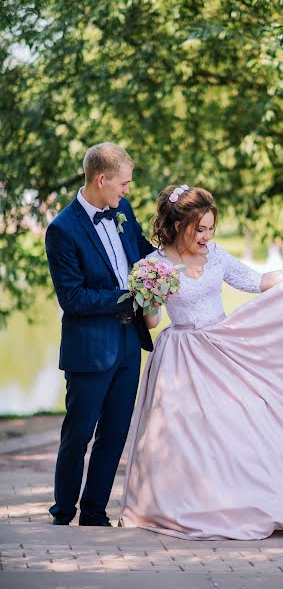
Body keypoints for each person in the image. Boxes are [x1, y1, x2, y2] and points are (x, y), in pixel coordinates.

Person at [120, 184, 283, 540]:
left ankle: (240, 500)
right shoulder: (154, 266)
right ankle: (179, 505)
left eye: (210, 228)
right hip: (180, 355)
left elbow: (257, 282)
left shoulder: (217, 257)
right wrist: (149, 294)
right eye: (200, 229)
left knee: (235, 426)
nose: (207, 236)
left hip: (221, 346)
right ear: (179, 226)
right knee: (183, 434)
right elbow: (152, 322)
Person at [45, 142, 154, 526]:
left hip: (129, 345)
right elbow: (73, 298)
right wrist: (129, 297)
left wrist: (171, 263)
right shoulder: (61, 230)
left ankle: (94, 515)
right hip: (89, 350)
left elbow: (143, 253)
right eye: (123, 184)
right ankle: (63, 514)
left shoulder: (122, 210)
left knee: (115, 434)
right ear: (102, 179)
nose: (127, 191)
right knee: (78, 436)